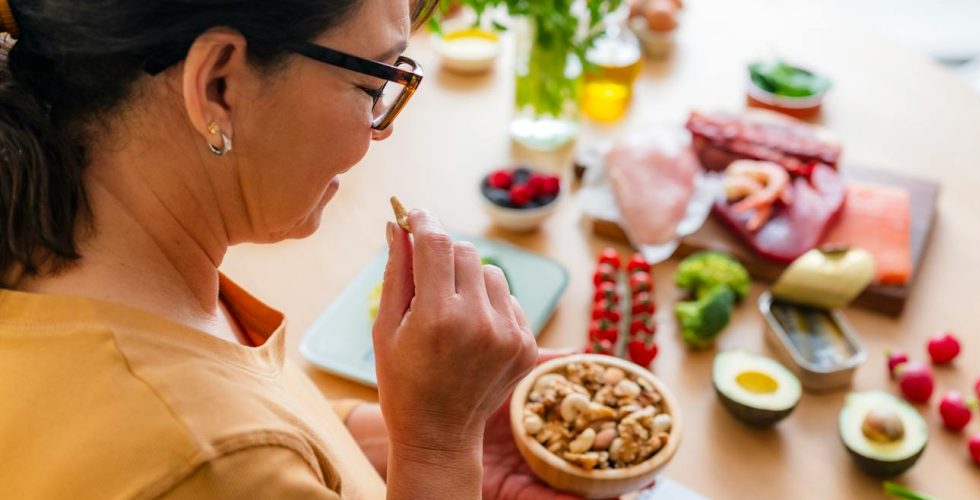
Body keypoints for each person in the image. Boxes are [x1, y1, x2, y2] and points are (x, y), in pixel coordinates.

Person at [0, 0, 573, 498]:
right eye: (373, 85)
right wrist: (441, 451)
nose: (383, 128)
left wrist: (399, 432)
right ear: (218, 86)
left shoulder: (93, 238)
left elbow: (262, 426)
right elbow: (229, 458)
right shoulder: (202, 461)